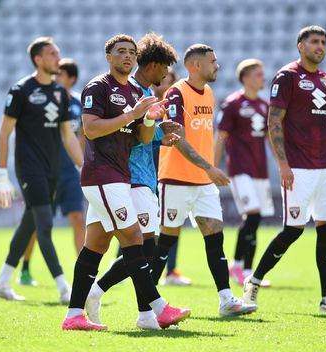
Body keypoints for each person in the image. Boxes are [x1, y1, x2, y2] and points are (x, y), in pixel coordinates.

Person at [62, 34, 190, 331]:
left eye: (132, 52)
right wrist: (134, 114)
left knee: (95, 246)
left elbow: (141, 138)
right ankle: (157, 308)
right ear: (108, 56)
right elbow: (91, 130)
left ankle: (73, 315)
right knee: (135, 239)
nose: (128, 57)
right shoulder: (99, 86)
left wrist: (149, 121)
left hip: (119, 175)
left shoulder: (135, 90)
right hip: (102, 175)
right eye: (121, 52)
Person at [242, 26, 326, 313]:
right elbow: (274, 122)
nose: (320, 46)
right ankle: (253, 281)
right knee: (293, 230)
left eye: (323, 42)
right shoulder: (287, 76)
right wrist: (283, 164)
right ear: (300, 46)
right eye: (314, 42)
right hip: (298, 167)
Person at [151, 43, 257, 316]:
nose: (217, 65)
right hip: (175, 180)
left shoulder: (208, 93)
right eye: (212, 61)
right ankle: (147, 304)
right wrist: (209, 167)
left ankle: (226, 300)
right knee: (165, 242)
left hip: (203, 183)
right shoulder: (176, 93)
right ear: (195, 65)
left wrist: (207, 172)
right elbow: (176, 140)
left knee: (215, 238)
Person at [0, 37, 83, 303]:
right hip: (29, 169)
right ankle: (65, 287)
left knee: (28, 224)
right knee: (45, 225)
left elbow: (68, 136)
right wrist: (1, 175)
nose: (58, 57)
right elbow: (4, 134)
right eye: (53, 54)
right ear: (38, 60)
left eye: (58, 53)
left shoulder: (58, 93)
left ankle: (1, 282)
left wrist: (83, 167)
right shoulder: (21, 90)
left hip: (52, 169)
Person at [17, 58, 85, 287]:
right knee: (39, 224)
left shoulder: (78, 104)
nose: (56, 78)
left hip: (70, 173)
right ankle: (25, 268)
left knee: (78, 219)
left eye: (61, 75)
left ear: (71, 78)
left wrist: (82, 164)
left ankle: (83, 270)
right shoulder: (44, 101)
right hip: (47, 170)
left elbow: (80, 137)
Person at [214, 58, 274, 287]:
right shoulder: (232, 104)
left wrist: (281, 162)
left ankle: (248, 270)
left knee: (254, 220)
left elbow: (269, 138)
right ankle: (237, 265)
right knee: (254, 214)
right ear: (246, 78)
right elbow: (221, 137)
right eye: (259, 74)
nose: (263, 78)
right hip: (239, 170)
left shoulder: (263, 105)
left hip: (260, 170)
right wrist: (214, 167)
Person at [151, 68, 192, 286]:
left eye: (167, 80)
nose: (162, 84)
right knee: (140, 219)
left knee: (171, 221)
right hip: (146, 169)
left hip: (169, 170)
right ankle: (123, 262)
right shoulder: (144, 104)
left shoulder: (177, 107)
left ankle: (171, 270)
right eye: (160, 79)